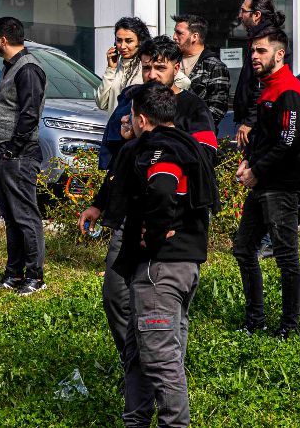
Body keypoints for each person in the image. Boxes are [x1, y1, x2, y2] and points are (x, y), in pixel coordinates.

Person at [78, 36, 216, 384]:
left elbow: (204, 161)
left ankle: (166, 367)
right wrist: (99, 201)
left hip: (172, 220)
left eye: (161, 66)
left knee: (166, 303)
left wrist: (161, 146)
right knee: (116, 293)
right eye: (147, 66)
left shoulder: (192, 108)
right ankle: (137, 363)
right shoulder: (133, 101)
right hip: (130, 216)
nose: (153, 73)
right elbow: (124, 160)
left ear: (176, 68)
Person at [110, 82, 217, 428]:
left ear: (142, 119)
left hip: (161, 270)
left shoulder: (161, 149)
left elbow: (162, 188)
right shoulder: (187, 143)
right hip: (181, 266)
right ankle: (136, 421)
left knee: (160, 360)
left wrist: (154, 234)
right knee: (140, 354)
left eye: (131, 116)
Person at [232, 26, 300, 339]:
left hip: (281, 185)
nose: (254, 56)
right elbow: (264, 136)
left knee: (285, 256)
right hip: (262, 181)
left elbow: (289, 142)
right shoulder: (266, 86)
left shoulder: (289, 90)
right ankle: (255, 321)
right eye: (252, 51)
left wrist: (257, 171)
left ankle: (289, 328)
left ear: (279, 54)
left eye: (261, 51)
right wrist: (248, 160)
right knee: (243, 249)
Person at [0, 17, 48, 296]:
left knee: (25, 216)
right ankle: (14, 273)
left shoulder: (28, 68)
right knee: (10, 216)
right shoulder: (10, 66)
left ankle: (35, 276)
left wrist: (12, 148)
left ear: (4, 40)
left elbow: (29, 114)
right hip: (4, 151)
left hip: (19, 154)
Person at [97, 17, 190, 114]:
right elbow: (102, 103)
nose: (122, 46)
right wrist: (111, 68)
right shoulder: (117, 65)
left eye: (129, 41)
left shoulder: (148, 65)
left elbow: (184, 82)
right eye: (119, 40)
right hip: (116, 127)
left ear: (140, 41)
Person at [234, 0, 288, 148]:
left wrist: (250, 121)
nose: (240, 16)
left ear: (256, 15)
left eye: (243, 11)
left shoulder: (269, 40)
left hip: (262, 121)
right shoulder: (257, 38)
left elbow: (264, 84)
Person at [171, 14, 230, 129]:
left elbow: (218, 108)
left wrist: (195, 128)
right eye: (175, 32)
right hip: (169, 132)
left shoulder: (214, 66)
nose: (174, 37)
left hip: (198, 135)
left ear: (194, 37)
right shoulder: (171, 60)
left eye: (179, 33)